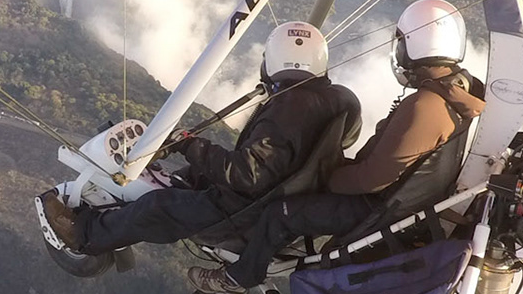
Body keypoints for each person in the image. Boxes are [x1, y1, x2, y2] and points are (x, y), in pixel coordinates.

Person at [188, 0, 482, 294]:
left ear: (410, 46)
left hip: (376, 208)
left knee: (281, 212)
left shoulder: (425, 106)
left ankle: (239, 278)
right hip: (399, 204)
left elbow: (372, 178)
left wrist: (326, 177)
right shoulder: (458, 93)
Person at [39, 22, 360, 257]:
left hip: (243, 216)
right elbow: (344, 137)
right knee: (195, 175)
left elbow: (246, 176)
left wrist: (188, 143)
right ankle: (154, 195)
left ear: (271, 62)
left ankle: (84, 235)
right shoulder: (340, 100)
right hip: (281, 194)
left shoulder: (289, 107)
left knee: (156, 206)